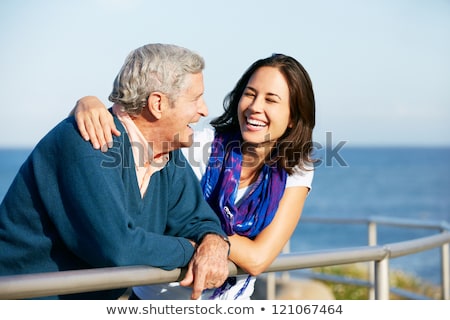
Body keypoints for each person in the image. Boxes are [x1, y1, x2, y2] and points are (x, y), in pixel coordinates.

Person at [74, 53, 315, 300]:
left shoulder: (296, 170)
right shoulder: (198, 147)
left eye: (271, 100)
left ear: (293, 118)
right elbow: (136, 132)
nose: (255, 107)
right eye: (250, 94)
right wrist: (89, 103)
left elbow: (257, 259)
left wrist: (207, 236)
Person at [0, 43, 231, 300]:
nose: (204, 110)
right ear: (158, 104)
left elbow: (199, 220)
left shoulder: (168, 155)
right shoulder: (88, 142)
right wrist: (190, 250)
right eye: (196, 98)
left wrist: (212, 243)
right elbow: (118, 248)